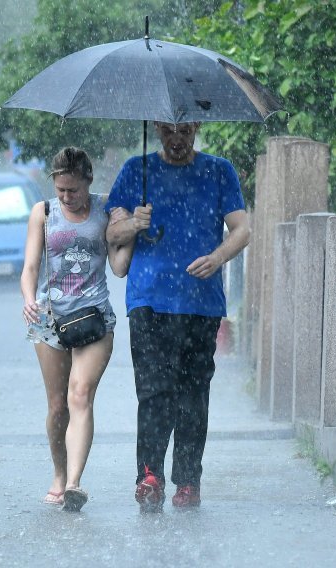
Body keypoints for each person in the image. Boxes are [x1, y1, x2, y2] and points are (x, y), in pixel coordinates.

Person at [105, 121, 251, 511]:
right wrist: (135, 222)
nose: (177, 138)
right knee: (153, 392)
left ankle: (188, 480)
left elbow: (241, 229)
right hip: (149, 300)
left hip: (200, 303)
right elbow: (112, 235)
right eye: (169, 130)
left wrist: (217, 257)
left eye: (184, 130)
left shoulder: (219, 170)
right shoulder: (136, 171)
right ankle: (149, 475)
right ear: (156, 128)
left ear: (196, 127)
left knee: (192, 395)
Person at [21, 147, 130, 512]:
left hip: (94, 317)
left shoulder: (107, 209)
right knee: (57, 407)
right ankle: (58, 471)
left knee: (80, 394)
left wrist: (129, 231)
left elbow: (118, 267)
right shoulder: (44, 212)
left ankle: (73, 484)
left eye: (74, 190)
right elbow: (31, 266)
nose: (67, 197)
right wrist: (27, 297)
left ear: (88, 180)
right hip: (49, 320)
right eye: (61, 189)